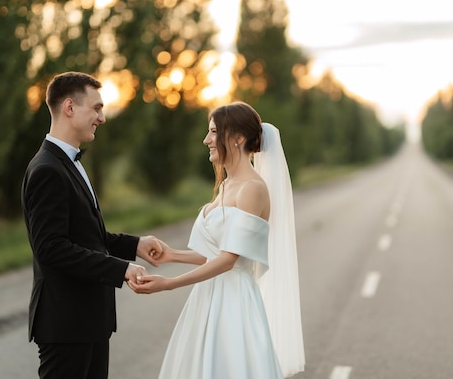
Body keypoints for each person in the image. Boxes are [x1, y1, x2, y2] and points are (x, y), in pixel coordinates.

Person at [129, 101, 305, 378]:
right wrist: (171, 254)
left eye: (213, 132)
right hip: (210, 294)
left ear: (238, 138)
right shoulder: (227, 185)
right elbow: (218, 252)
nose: (206, 140)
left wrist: (169, 284)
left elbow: (228, 260)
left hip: (234, 300)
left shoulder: (252, 189)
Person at [21, 71, 163, 379]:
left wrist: (133, 246)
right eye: (96, 108)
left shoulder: (68, 163)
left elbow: (87, 236)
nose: (102, 117)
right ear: (70, 108)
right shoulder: (47, 169)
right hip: (66, 323)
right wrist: (120, 269)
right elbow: (52, 248)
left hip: (89, 319)